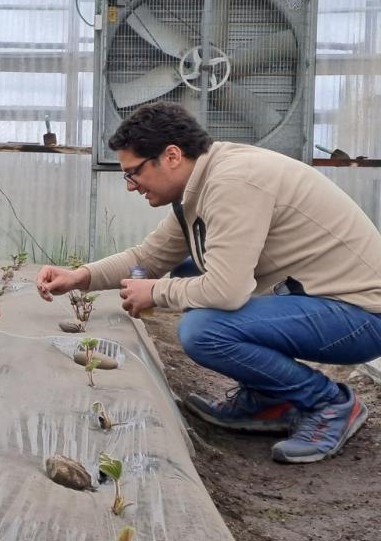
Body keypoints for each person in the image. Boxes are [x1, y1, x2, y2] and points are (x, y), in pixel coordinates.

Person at [36, 101, 381, 465]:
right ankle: (270, 398)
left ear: (170, 156)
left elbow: (226, 291)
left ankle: (329, 403)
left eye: (133, 173)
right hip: (320, 302)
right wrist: (80, 277)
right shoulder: (199, 187)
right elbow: (149, 259)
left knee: (203, 330)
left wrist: (155, 291)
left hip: (361, 316)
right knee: (188, 273)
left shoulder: (233, 182)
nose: (130, 186)